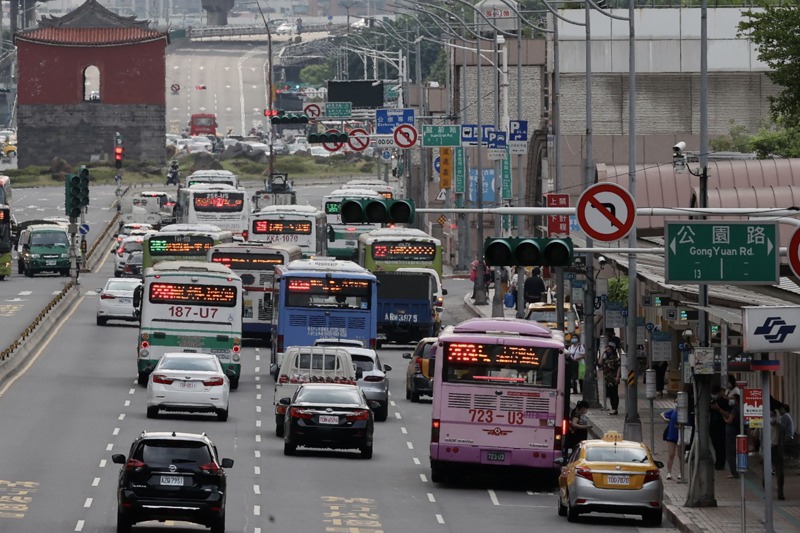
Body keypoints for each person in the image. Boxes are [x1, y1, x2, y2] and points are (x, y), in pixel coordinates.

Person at [722, 393, 741, 479]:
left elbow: (729, 421)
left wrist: (724, 419)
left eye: (732, 399)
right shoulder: (739, 408)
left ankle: (734, 473)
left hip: (731, 434)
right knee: (735, 453)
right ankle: (737, 471)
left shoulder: (734, 409)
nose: (730, 400)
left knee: (730, 454)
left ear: (737, 400)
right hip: (737, 433)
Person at [769, 407, 787, 500]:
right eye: (769, 416)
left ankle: (780, 494)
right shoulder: (763, 426)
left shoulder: (781, 427)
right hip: (768, 451)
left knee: (780, 474)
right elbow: (757, 437)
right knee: (766, 475)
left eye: (773, 415)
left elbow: (784, 439)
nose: (771, 417)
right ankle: (767, 493)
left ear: (776, 416)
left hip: (777, 450)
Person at [709, 385, 728, 470]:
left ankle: (721, 463)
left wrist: (718, 408)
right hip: (713, 427)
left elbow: (727, 415)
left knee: (721, 446)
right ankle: (717, 461)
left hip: (722, 427)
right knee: (715, 445)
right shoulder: (712, 401)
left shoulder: (724, 402)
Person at [602, 342, 621, 415]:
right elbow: (600, 363)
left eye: (609, 349)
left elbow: (619, 367)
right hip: (607, 379)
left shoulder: (615, 358)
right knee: (609, 393)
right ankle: (613, 408)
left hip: (613, 378)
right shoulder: (606, 358)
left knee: (614, 393)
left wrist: (617, 377)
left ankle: (614, 408)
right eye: (607, 350)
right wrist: (603, 353)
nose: (608, 351)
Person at [662, 404, 680, 480]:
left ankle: (681, 472)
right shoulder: (673, 412)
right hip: (671, 435)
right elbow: (663, 414)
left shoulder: (685, 414)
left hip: (680, 435)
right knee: (671, 454)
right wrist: (666, 420)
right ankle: (669, 472)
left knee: (680, 455)